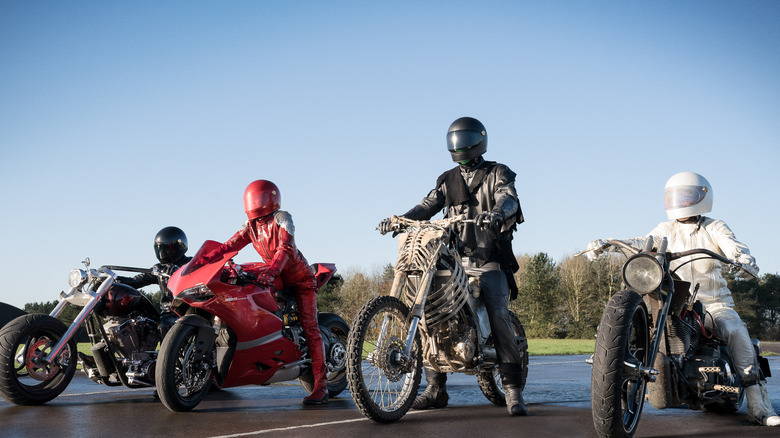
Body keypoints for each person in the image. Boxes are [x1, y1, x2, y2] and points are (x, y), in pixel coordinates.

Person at [586, 171, 779, 427]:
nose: (681, 201)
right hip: (675, 303)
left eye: (687, 195)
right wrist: (610, 243)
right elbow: (644, 241)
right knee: (638, 320)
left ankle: (758, 405)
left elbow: (733, 245)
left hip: (714, 304)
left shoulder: (714, 226)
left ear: (702, 197)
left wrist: (742, 260)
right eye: (676, 196)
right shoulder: (666, 229)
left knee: (734, 329)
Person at [378, 116, 527, 416]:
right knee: (430, 311)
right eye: (456, 139)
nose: (460, 145)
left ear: (479, 140)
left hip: (489, 262)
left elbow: (508, 199)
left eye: (465, 138)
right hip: (455, 263)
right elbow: (426, 206)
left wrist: (497, 213)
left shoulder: (497, 173)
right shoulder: (448, 179)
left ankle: (512, 390)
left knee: (498, 313)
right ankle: (436, 388)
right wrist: (401, 220)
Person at [201, 179, 329, 405]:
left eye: (259, 198)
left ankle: (321, 385)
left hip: (299, 279)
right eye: (254, 198)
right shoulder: (250, 226)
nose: (256, 203)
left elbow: (286, 248)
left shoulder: (283, 218)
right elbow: (230, 246)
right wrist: (208, 259)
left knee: (310, 327)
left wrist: (270, 272)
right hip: (275, 276)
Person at [117, 226, 191, 311]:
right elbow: (134, 282)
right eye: (160, 249)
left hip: (190, 312)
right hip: (167, 314)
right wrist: (109, 279)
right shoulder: (159, 269)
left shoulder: (193, 263)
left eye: (165, 249)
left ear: (177, 247)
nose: (162, 253)